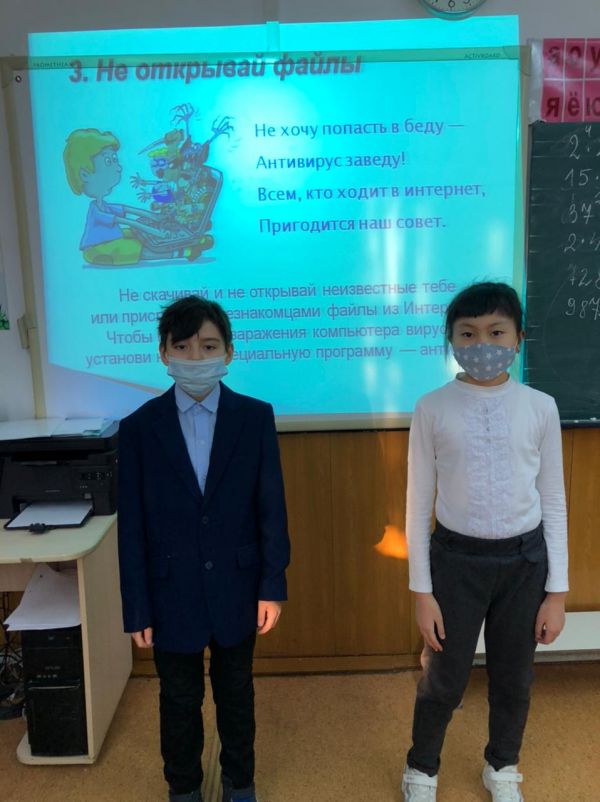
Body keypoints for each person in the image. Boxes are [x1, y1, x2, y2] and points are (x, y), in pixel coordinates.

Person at [117, 296, 290, 802]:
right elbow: (132, 528)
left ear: (229, 352)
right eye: (183, 347)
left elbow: (271, 509)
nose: (196, 358)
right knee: (178, 699)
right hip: (169, 593)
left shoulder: (254, 418)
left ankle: (240, 781)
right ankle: (184, 787)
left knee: (236, 693)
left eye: (209, 346)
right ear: (163, 353)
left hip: (239, 586)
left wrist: (272, 586)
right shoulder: (139, 428)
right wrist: (137, 607)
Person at [401, 282, 568, 802]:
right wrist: (422, 592)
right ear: (451, 340)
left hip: (524, 563)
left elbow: (554, 500)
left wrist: (558, 592)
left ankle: (502, 764)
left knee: (514, 678)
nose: (482, 345)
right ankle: (421, 768)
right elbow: (417, 505)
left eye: (496, 332)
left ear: (519, 338)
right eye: (468, 334)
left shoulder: (541, 407)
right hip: (455, 562)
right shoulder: (432, 407)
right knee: (444, 679)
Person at [63, 128, 143, 266]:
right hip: (96, 248)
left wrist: (152, 217)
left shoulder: (104, 205)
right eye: (108, 161)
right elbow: (119, 219)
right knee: (132, 246)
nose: (119, 168)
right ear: (85, 174)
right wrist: (143, 226)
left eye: (115, 159)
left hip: (112, 238)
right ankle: (172, 253)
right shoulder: (96, 211)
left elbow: (126, 209)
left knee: (137, 233)